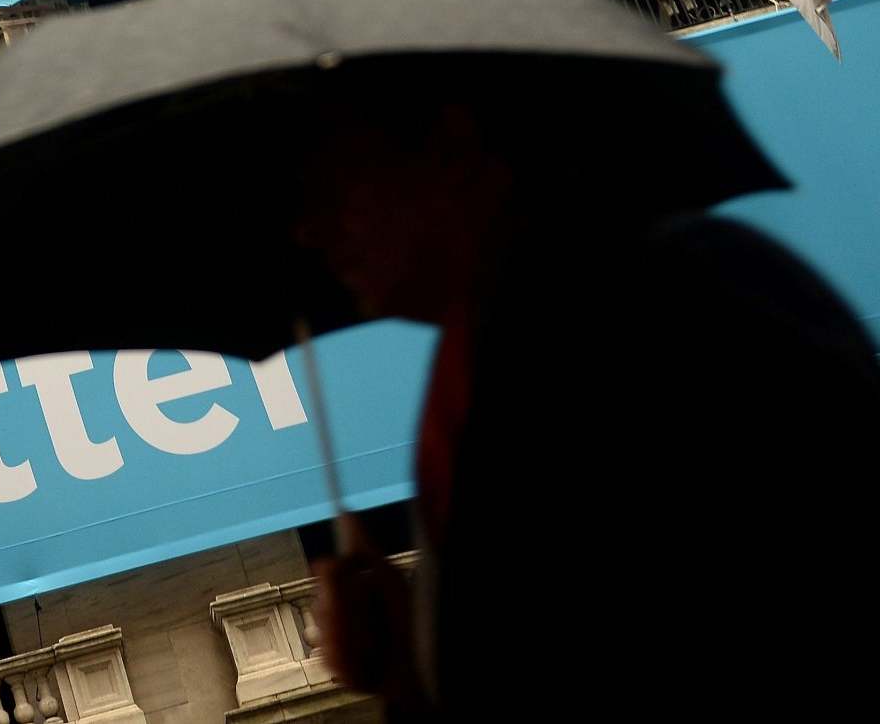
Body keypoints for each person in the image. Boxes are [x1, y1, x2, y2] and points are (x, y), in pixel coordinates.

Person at [295, 92, 880, 721]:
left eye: (332, 187)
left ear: (451, 144)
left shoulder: (678, 304)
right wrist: (405, 673)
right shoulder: (487, 355)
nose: (310, 231)